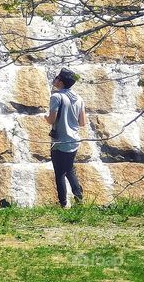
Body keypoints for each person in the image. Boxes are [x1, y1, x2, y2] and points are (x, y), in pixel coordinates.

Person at [45, 67, 86, 207]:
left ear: (61, 82)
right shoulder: (79, 98)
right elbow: (82, 122)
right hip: (74, 141)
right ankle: (79, 199)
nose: (55, 79)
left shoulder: (56, 96)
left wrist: (45, 117)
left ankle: (63, 204)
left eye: (57, 78)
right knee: (69, 169)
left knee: (60, 173)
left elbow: (51, 120)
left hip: (59, 142)